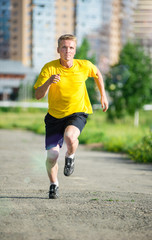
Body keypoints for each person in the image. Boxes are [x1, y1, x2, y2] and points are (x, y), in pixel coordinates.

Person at [34, 34, 108, 199]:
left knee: (70, 135)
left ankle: (70, 156)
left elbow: (98, 74)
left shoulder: (84, 65)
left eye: (71, 47)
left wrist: (103, 95)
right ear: (58, 49)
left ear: (75, 50)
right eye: (64, 47)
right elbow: (38, 95)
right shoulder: (49, 68)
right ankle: (54, 185)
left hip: (77, 112)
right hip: (54, 117)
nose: (68, 51)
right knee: (52, 155)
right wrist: (48, 82)